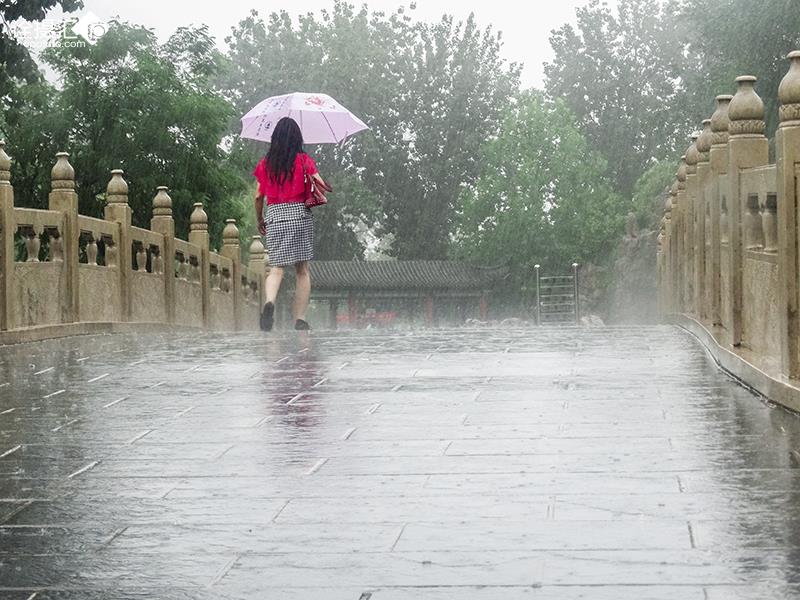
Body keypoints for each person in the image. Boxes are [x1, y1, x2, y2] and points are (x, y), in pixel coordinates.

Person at [253, 117, 324, 331]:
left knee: (276, 269)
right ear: (297, 138)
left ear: (275, 139)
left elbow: (258, 196)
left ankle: (269, 302)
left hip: (275, 215)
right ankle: (299, 319)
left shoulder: (266, 164)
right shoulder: (304, 161)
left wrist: (260, 219)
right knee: (302, 270)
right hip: (299, 215)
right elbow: (319, 184)